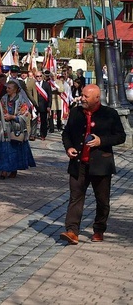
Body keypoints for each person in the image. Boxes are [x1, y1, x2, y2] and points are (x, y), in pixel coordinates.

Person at [59, 84, 126, 244]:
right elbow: (66, 133)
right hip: (78, 164)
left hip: (101, 165)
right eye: (82, 95)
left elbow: (120, 136)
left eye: (86, 96)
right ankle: (72, 231)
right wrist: (69, 148)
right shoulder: (76, 112)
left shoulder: (110, 114)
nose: (82, 98)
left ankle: (99, 229)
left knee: (102, 200)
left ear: (97, 98)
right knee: (75, 197)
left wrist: (101, 141)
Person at [0, 80, 36, 179]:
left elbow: (24, 114)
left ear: (15, 89)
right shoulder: (3, 98)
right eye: (7, 88)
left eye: (9, 88)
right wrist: (4, 116)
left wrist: (12, 117)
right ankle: (4, 170)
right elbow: (0, 109)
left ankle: (13, 169)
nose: (7, 89)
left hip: (17, 128)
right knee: (4, 149)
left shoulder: (22, 100)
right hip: (5, 127)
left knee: (15, 150)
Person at [36, 70, 53, 139]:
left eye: (40, 76)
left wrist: (49, 106)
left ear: (42, 76)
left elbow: (50, 95)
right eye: (37, 76)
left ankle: (43, 134)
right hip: (36, 105)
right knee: (34, 120)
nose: (39, 77)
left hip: (44, 105)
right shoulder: (34, 84)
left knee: (43, 121)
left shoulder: (46, 84)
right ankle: (33, 134)